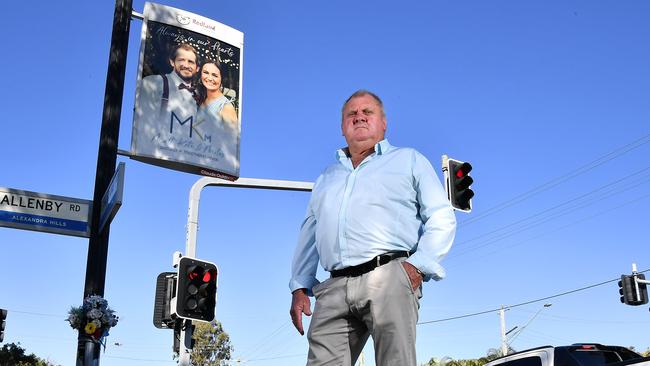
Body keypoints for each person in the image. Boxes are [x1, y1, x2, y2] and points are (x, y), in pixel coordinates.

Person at [289, 90, 457, 366]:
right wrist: (299, 286)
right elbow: (309, 233)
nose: (359, 118)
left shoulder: (408, 160)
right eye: (351, 114)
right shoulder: (327, 178)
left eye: (368, 112)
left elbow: (441, 215)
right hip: (333, 288)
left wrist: (418, 266)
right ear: (342, 127)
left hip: (390, 277)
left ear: (384, 123)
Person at [133, 43, 199, 153]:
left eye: (191, 62)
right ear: (172, 62)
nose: (186, 65)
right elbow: (142, 126)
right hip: (154, 152)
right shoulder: (154, 82)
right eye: (181, 60)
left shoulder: (198, 95)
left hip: (186, 155)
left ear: (197, 68)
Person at [194, 61, 240, 176]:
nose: (209, 78)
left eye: (215, 75)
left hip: (213, 164)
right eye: (206, 73)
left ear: (221, 79)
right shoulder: (201, 100)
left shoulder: (226, 107)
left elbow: (231, 144)